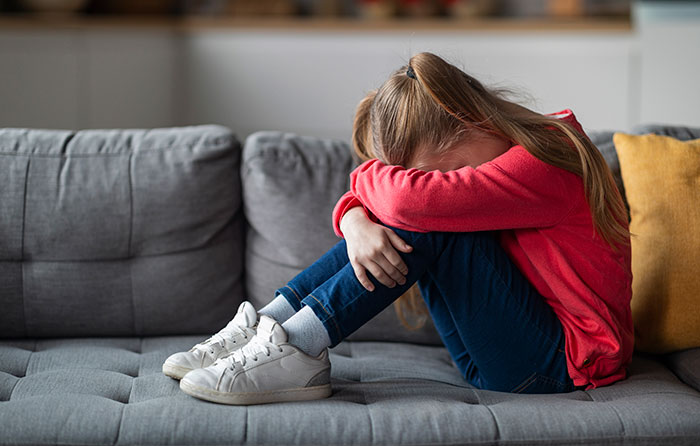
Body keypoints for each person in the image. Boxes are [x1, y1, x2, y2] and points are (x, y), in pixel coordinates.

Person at [163, 52, 633, 405]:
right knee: (428, 215)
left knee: (431, 218)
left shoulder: (547, 159)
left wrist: (360, 205)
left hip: (563, 366)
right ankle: (269, 326)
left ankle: (299, 347)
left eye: (436, 172)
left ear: (472, 121)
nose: (437, 183)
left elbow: (415, 201)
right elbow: (402, 198)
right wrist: (354, 222)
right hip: (494, 355)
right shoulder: (503, 153)